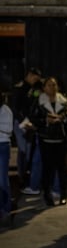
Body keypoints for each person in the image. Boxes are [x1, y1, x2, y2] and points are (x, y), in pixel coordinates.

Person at [29, 77, 67, 206]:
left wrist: (63, 118)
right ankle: (47, 194)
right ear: (44, 88)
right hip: (46, 138)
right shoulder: (39, 101)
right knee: (47, 169)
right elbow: (33, 117)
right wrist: (46, 120)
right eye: (49, 85)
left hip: (61, 138)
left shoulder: (64, 101)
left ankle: (63, 194)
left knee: (62, 169)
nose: (52, 87)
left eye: (54, 85)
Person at [11, 67, 42, 195]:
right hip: (21, 123)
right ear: (29, 75)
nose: (36, 80)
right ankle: (21, 176)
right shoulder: (20, 87)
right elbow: (15, 107)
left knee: (29, 150)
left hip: (30, 122)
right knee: (23, 150)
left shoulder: (34, 88)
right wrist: (23, 121)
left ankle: (25, 174)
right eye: (35, 77)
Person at [0, 91, 13, 221]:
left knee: (2, 179)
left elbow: (8, 129)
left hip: (2, 145)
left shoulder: (6, 110)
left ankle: (5, 208)